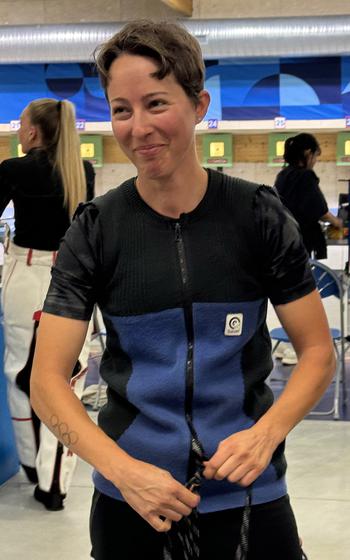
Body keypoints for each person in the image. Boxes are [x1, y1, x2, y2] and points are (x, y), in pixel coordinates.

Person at [30, 21, 334, 559]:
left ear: (199, 105)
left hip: (250, 495)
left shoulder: (258, 215)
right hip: (132, 502)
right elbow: (47, 380)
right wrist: (123, 471)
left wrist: (265, 435)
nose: (138, 127)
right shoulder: (96, 229)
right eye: (122, 110)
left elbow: (316, 351)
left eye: (155, 103)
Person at [0, 98, 95, 510]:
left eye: (20, 124)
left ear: (34, 132)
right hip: (74, 281)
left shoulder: (14, 170)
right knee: (68, 381)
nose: (18, 131)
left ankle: (33, 470)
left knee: (21, 374)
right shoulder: (82, 171)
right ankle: (55, 484)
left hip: (26, 274)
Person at [275, 132, 342, 260]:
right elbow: (320, 211)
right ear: (307, 153)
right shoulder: (305, 176)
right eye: (315, 156)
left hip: (283, 239)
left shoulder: (283, 175)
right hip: (301, 239)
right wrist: (338, 222)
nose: (315, 161)